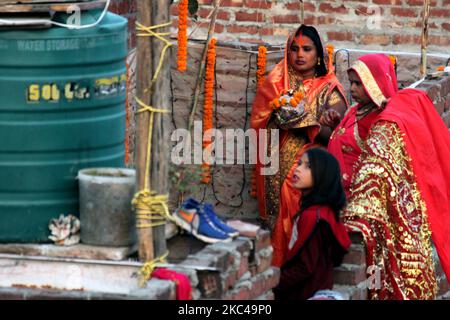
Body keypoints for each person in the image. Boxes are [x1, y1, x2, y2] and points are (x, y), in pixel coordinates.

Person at [329, 53, 450, 299]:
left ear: (376, 82)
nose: (352, 89)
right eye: (351, 82)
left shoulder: (383, 122)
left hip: (357, 202)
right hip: (336, 195)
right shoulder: (356, 111)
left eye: (359, 83)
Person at [250, 25, 348, 267]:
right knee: (274, 223)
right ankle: (274, 278)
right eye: (294, 49)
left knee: (295, 216)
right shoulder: (276, 84)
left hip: (307, 170)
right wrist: (281, 114)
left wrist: (318, 121)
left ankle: (293, 275)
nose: (300, 55)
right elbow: (260, 120)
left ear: (319, 56)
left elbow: (331, 130)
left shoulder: (329, 87)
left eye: (307, 49)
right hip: (273, 167)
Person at [273, 148, 351, 300]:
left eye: (308, 166)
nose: (298, 169)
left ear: (323, 175)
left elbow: (304, 267)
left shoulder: (313, 216)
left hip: (304, 293)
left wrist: (273, 285)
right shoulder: (325, 211)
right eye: (300, 163)